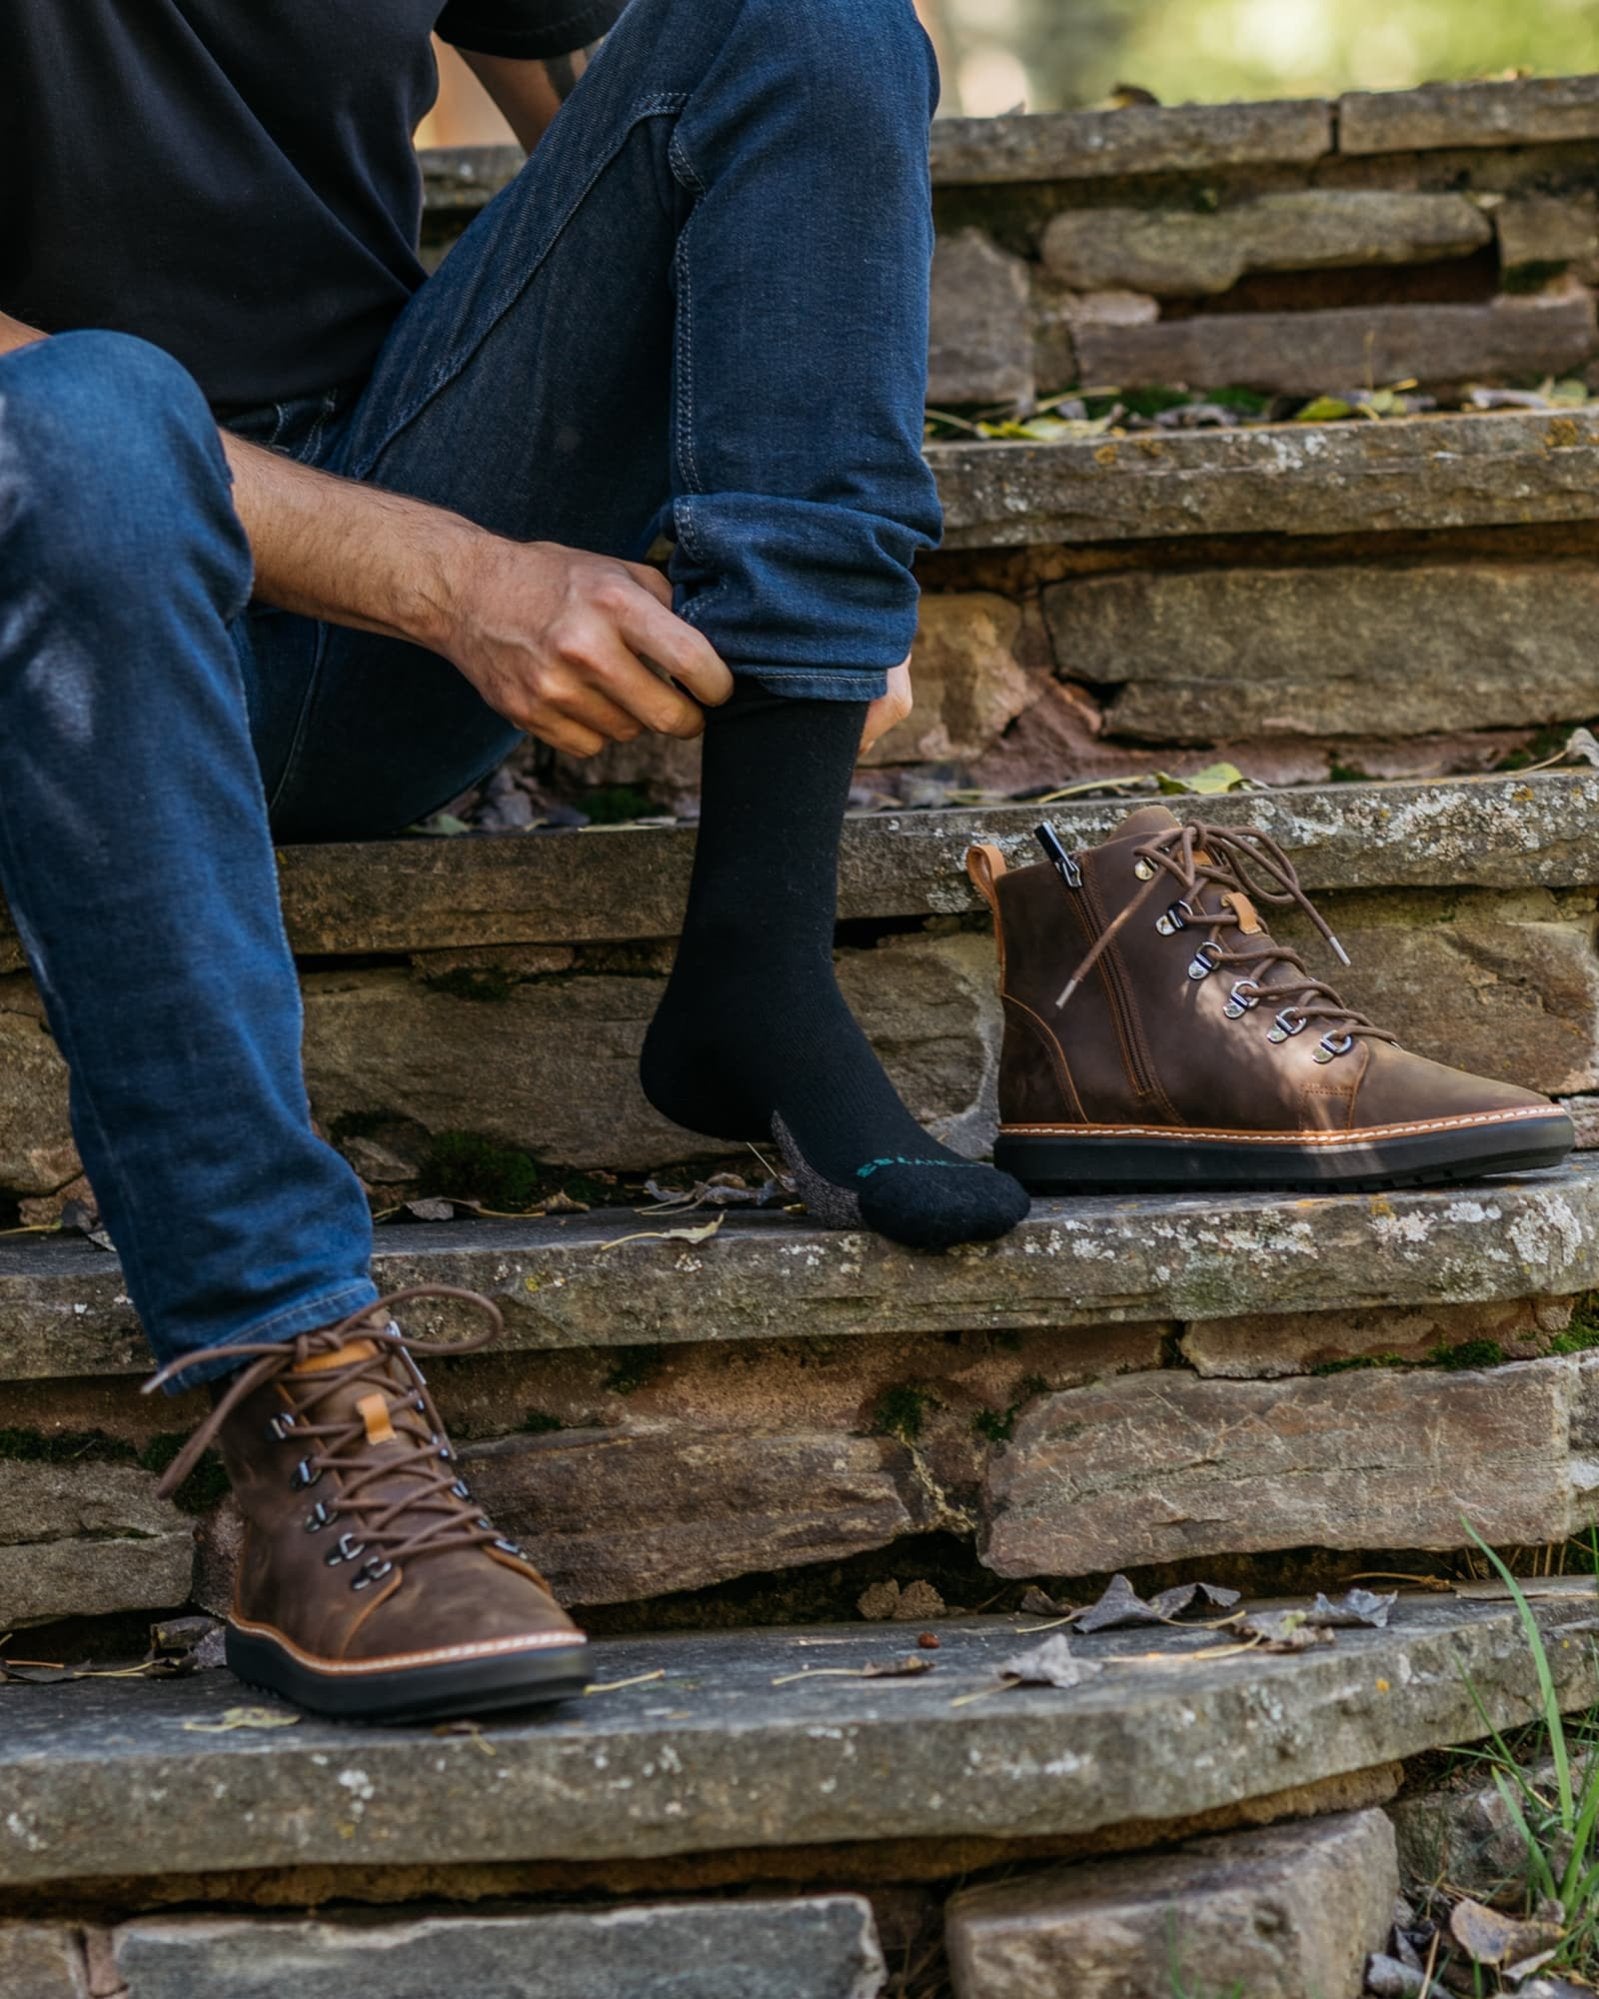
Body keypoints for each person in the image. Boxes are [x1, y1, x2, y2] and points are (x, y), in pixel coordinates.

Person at [0, 0, 1030, 1720]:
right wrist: (465, 580)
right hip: (65, 626)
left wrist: (772, 460)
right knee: (89, 422)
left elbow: (636, 114)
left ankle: (759, 974)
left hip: (377, 526)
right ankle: (296, 1382)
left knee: (809, 17)